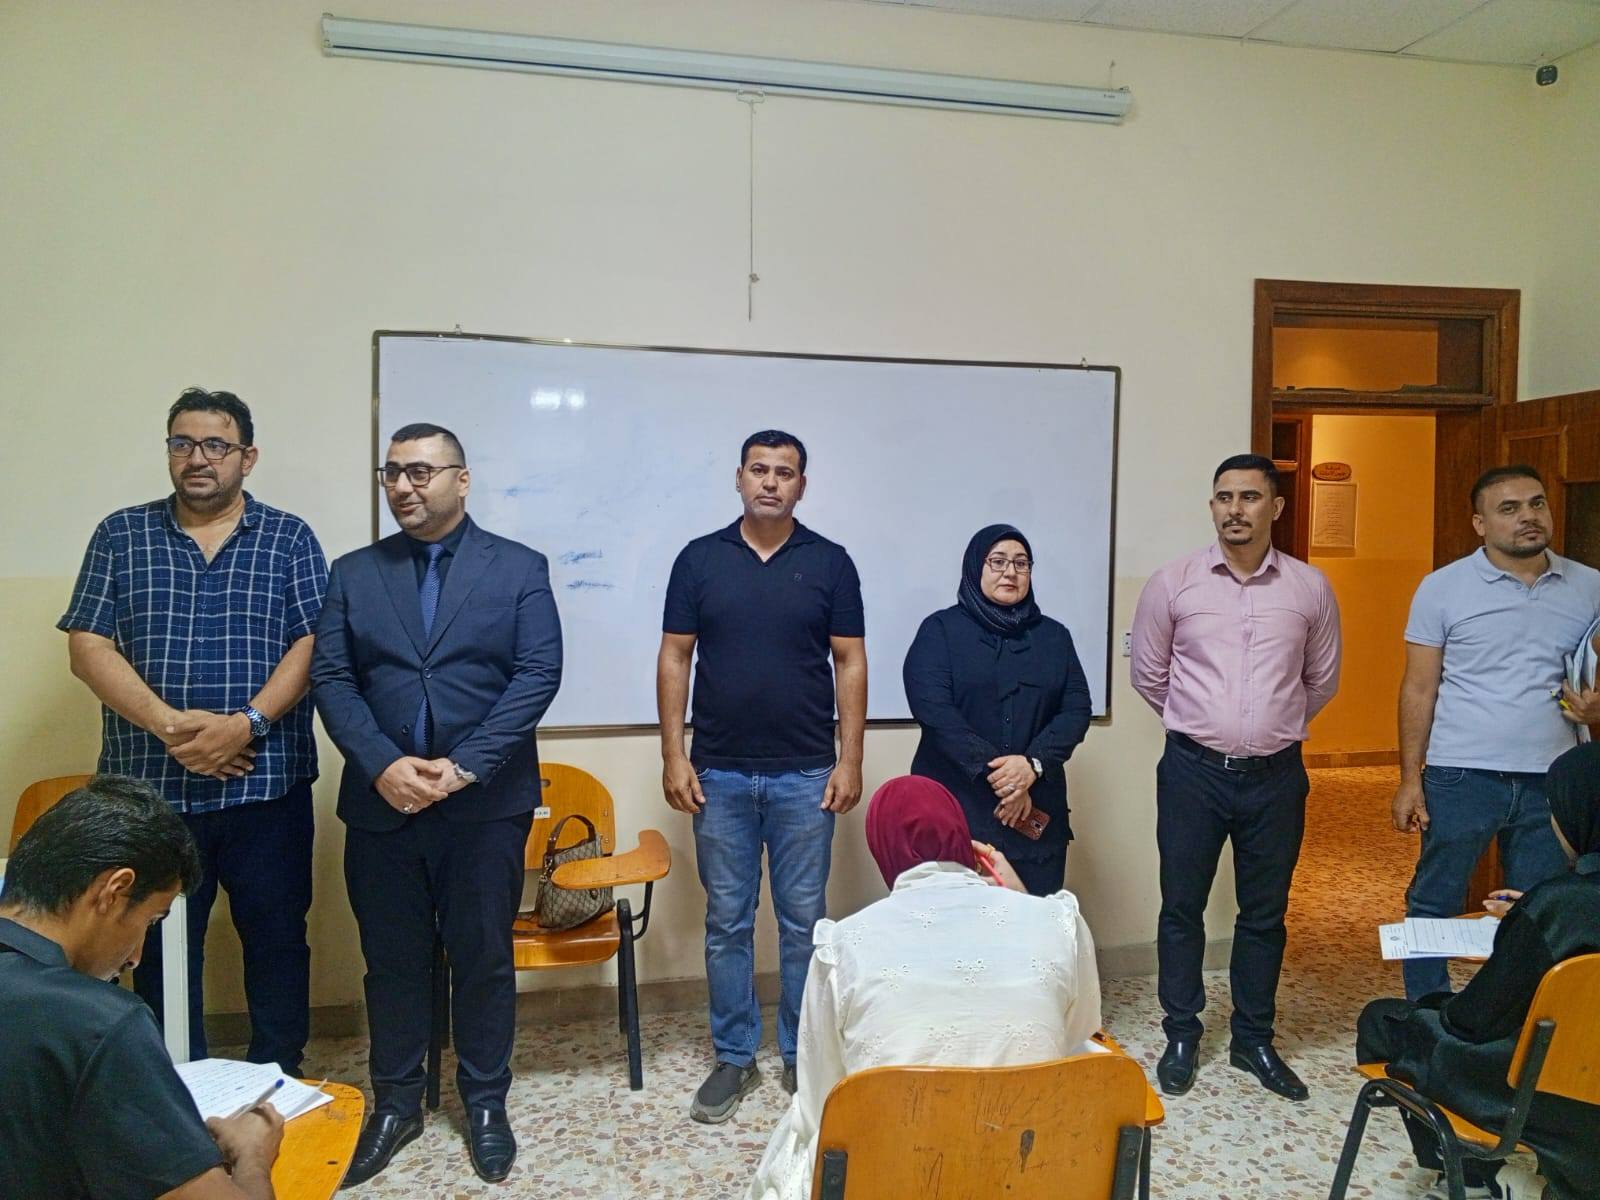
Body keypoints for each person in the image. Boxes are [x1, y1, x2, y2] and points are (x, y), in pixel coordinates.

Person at [311, 422, 562, 1186]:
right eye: (392, 472)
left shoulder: (518, 567)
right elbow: (332, 678)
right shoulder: (355, 572)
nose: (402, 486)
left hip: (484, 808)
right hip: (381, 805)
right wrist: (383, 765)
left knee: (482, 959)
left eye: (419, 471)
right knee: (392, 963)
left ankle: (484, 1103)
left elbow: (538, 673)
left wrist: (463, 769)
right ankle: (396, 1103)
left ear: (462, 479)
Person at [57, 387, 328, 1073]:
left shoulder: (290, 538)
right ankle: (175, 1080)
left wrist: (246, 724)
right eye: (182, 443)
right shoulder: (120, 534)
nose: (197, 458)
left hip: (266, 786)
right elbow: (88, 645)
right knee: (154, 943)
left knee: (276, 939)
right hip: (150, 793)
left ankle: (278, 1076)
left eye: (215, 444)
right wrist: (173, 727)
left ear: (247, 457)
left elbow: (313, 643)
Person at [745, 775, 1101, 1200]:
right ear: (965, 840)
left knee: (796, 1133)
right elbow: (1076, 1037)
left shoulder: (842, 945)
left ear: (883, 852)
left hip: (895, 1175)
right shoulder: (1056, 921)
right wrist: (1023, 897)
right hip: (1033, 1171)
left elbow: (824, 1094)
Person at [657, 429, 868, 1123]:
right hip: (717, 774)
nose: (771, 482)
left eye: (785, 472)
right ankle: (734, 1056)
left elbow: (850, 661)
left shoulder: (830, 562)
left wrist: (850, 759)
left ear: (802, 485)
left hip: (806, 775)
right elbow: (675, 657)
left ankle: (801, 1052)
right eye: (759, 470)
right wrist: (674, 755)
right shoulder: (699, 559)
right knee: (727, 922)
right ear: (739, 478)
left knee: (805, 923)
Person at [1130, 453, 1341, 1101]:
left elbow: (1321, 681)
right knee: (1182, 907)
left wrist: (1265, 730)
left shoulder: (1309, 589)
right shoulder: (1174, 584)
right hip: (1192, 773)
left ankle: (1253, 1039)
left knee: (1265, 913)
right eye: (1224, 497)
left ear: (1276, 507)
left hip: (1276, 779)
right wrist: (1207, 726)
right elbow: (1149, 674)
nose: (1235, 509)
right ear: (1212, 506)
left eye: (1249, 497)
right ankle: (1182, 1033)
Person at [0, 775, 285, 1200]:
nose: (135, 957)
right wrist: (252, 1155)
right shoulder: (101, 1022)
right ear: (113, 891)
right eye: (151, 921)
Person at [1356, 741, 1600, 1200]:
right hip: (1590, 1085)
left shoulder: (1557, 905)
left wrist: (1526, 922)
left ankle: (1470, 1178)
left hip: (1535, 1097)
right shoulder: (1558, 902)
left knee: (1385, 1020)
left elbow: (1471, 1021)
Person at [1393, 465, 1600, 1001]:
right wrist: (1409, 779)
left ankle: (1513, 1016)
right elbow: (1419, 688)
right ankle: (1426, 1010)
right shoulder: (1442, 588)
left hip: (1551, 779)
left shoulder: (1590, 586)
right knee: (1434, 898)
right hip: (1461, 774)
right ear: (1479, 523)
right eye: (1509, 508)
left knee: (1538, 908)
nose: (1528, 516)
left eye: (1537, 503)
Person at [902, 524, 1092, 896]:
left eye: (1021, 563)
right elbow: (934, 711)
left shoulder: (1054, 637)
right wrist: (1006, 779)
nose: (1010, 572)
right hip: (958, 805)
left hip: (1034, 809)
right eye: (998, 561)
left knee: (1036, 920)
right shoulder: (940, 631)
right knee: (954, 920)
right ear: (976, 567)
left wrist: (1031, 766)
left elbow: (1076, 709)